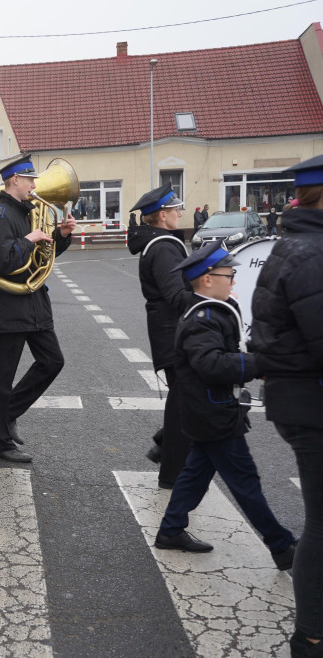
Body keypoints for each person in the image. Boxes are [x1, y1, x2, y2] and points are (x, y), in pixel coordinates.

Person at [155, 240, 297, 572]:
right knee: (244, 480)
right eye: (228, 274)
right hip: (213, 413)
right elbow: (211, 364)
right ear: (207, 279)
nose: (233, 279)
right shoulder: (203, 318)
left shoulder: (209, 312)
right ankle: (281, 545)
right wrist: (258, 363)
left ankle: (171, 530)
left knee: (195, 474)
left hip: (209, 411)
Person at [250, 154, 323, 657]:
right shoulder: (310, 253)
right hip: (310, 400)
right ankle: (312, 636)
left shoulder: (294, 246)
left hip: (298, 399)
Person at [0, 154, 75, 463]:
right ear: (15, 180)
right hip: (7, 307)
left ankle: (9, 413)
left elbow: (44, 254)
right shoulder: (1, 214)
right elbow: (3, 261)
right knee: (1, 379)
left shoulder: (27, 210)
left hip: (33, 303)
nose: (36, 184)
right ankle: (1, 443)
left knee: (52, 361)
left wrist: (61, 237)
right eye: (31, 179)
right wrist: (30, 238)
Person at [126, 184, 194, 488]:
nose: (181, 212)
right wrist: (210, 300)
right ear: (162, 215)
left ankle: (164, 448)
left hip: (170, 330)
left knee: (183, 399)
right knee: (185, 401)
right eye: (176, 208)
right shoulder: (164, 247)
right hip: (173, 332)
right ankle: (171, 474)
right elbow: (176, 296)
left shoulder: (162, 242)